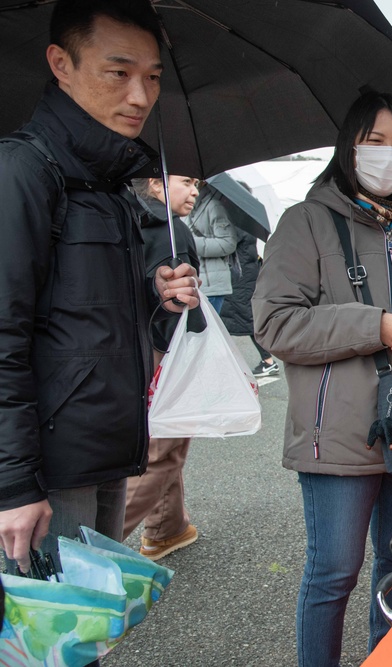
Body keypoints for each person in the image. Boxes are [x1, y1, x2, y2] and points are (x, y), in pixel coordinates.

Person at [253, 92, 392, 667]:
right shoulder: (306, 222)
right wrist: (374, 325)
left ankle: (386, 659)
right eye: (376, 141)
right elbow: (276, 324)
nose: (389, 155)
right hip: (338, 435)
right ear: (349, 146)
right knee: (333, 574)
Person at [0, 0, 200, 578]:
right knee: (46, 646)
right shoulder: (24, 170)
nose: (140, 95)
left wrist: (151, 291)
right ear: (60, 63)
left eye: (153, 77)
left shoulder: (108, 184)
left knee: (88, 636)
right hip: (47, 470)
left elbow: (77, 314)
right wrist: (13, 482)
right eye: (119, 73)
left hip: (106, 449)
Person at [123, 174, 203, 561]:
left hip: (127, 350)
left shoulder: (124, 215)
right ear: (155, 184)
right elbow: (183, 310)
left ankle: (167, 527)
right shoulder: (170, 230)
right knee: (163, 450)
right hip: (164, 350)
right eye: (187, 182)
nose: (195, 191)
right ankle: (85, 545)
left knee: (168, 439)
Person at [218, 181, 280, 378]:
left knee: (240, 320)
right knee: (235, 320)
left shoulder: (236, 221)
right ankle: (264, 361)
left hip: (240, 277)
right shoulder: (246, 217)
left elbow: (227, 244)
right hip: (244, 275)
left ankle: (267, 361)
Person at [187, 184, 237, 313]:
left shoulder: (213, 205)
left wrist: (191, 243)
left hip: (212, 285)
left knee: (208, 331)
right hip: (198, 282)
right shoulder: (189, 207)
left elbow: (228, 243)